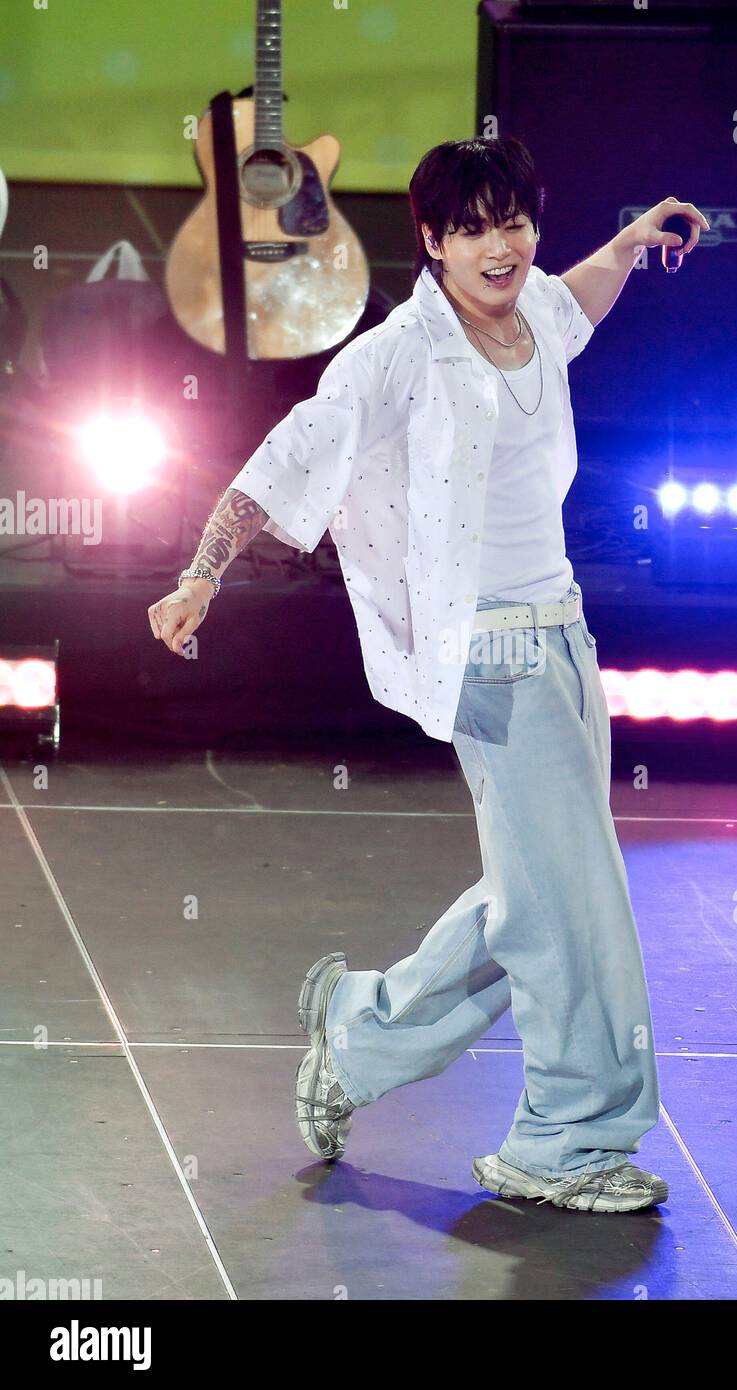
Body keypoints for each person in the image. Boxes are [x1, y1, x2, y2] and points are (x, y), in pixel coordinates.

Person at [148, 136, 707, 1214]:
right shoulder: (398, 354)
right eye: (475, 229)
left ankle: (360, 1032)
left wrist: (631, 243)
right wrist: (198, 576)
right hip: (491, 655)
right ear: (433, 241)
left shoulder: (536, 304)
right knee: (573, 904)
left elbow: (576, 301)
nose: (502, 247)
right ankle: (564, 1139)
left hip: (565, 641)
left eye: (517, 222)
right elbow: (286, 461)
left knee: (540, 893)